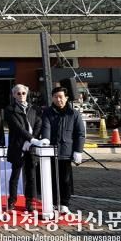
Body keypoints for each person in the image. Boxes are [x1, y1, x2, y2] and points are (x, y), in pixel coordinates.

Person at [41, 86, 86, 214]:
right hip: (51, 151)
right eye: (55, 97)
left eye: (61, 97)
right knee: (51, 178)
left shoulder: (74, 114)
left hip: (66, 152)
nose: (58, 99)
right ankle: (54, 203)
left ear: (66, 98)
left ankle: (65, 204)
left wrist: (78, 150)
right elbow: (46, 128)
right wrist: (46, 141)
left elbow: (80, 133)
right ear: (52, 98)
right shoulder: (47, 112)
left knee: (65, 180)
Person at [4, 84, 42, 212]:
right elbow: (17, 127)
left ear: (27, 94)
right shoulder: (10, 109)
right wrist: (30, 139)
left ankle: (29, 201)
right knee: (15, 175)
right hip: (17, 146)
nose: (21, 95)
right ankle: (12, 201)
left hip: (31, 146)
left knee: (31, 175)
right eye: (18, 93)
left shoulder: (34, 108)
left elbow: (38, 124)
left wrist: (32, 141)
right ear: (14, 95)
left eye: (23, 93)